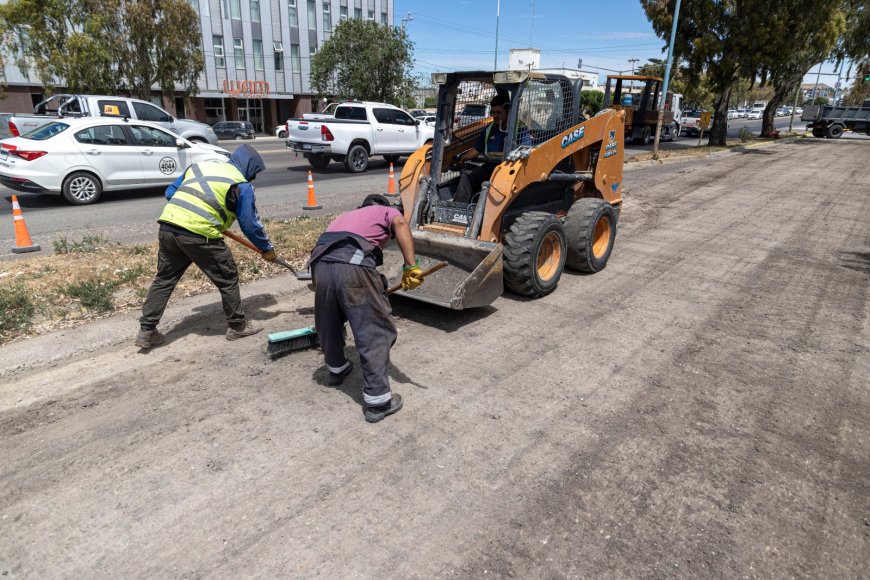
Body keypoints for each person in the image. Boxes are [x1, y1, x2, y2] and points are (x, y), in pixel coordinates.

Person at [135, 144, 277, 349]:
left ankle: (146, 331)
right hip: (200, 235)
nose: (252, 178)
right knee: (227, 278)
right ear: (249, 167)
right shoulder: (241, 185)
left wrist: (193, 212)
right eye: (253, 173)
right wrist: (266, 249)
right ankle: (237, 326)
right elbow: (250, 224)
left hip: (168, 228)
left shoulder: (200, 167)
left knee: (165, 279)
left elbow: (170, 192)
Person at [307, 194, 424, 423]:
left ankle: (336, 369)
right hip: (353, 265)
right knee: (374, 330)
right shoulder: (385, 212)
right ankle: (378, 402)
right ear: (382, 206)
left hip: (319, 265)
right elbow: (400, 223)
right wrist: (411, 267)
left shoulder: (346, 215)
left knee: (329, 321)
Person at [453, 96, 531, 204]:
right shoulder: (489, 129)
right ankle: (458, 208)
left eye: (499, 112)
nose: (495, 116)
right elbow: (476, 150)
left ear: (509, 112)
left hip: (510, 173)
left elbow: (526, 150)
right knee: (467, 175)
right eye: (493, 112)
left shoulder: (520, 129)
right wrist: (462, 158)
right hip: (490, 169)